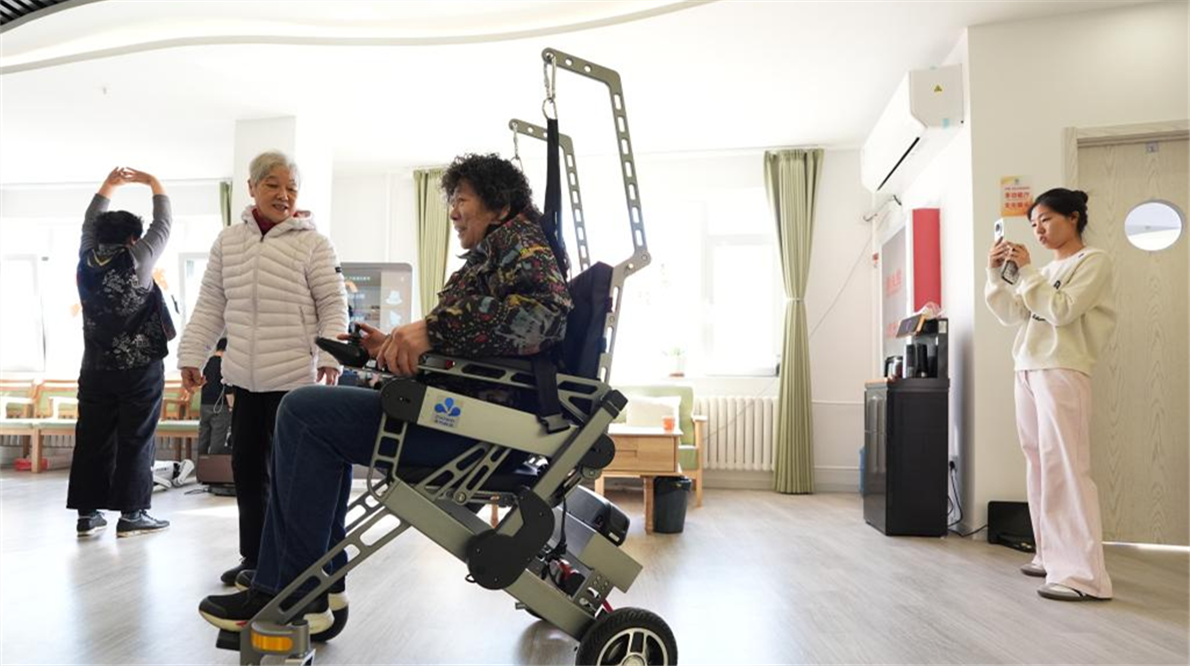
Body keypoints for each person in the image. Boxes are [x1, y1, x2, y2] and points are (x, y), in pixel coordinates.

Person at [197, 153, 573, 632]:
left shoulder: (521, 244)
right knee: (308, 416)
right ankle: (314, 586)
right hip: (455, 413)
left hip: (469, 427)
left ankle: (290, 592)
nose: (453, 213)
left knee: (303, 412)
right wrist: (392, 348)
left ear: (499, 205)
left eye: (461, 200)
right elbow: (483, 341)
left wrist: (433, 331)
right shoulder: (499, 250)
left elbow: (544, 317)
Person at [178, 151, 349, 587]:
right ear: (252, 187)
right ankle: (254, 558)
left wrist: (331, 358)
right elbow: (211, 305)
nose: (283, 194)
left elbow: (333, 305)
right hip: (244, 378)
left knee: (291, 478)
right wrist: (192, 356)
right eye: (273, 184)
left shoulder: (314, 243)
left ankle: (287, 565)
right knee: (248, 472)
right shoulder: (228, 242)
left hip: (295, 383)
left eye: (292, 187)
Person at [985, 187, 1116, 602]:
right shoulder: (1042, 270)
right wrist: (996, 275)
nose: (1038, 230)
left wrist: (1027, 273)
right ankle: (1050, 555)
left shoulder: (1093, 261)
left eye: (1046, 220)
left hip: (1063, 367)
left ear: (1073, 217)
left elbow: (1061, 310)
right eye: (1034, 224)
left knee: (1067, 466)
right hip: (1028, 367)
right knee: (1039, 463)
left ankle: (1084, 576)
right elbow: (1013, 315)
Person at [68, 167, 174, 538]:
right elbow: (164, 223)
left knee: (92, 437)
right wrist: (153, 182)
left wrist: (109, 185)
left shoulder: (86, 258)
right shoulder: (138, 257)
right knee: (137, 437)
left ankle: (87, 514)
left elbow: (89, 222)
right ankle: (132, 514)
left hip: (95, 367)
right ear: (133, 238)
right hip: (139, 367)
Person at [196, 338, 233, 456]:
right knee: (218, 438)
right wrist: (232, 406)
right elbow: (227, 387)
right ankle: (213, 464)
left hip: (204, 403)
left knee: (203, 436)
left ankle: (201, 463)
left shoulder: (207, 362)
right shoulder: (224, 364)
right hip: (219, 406)